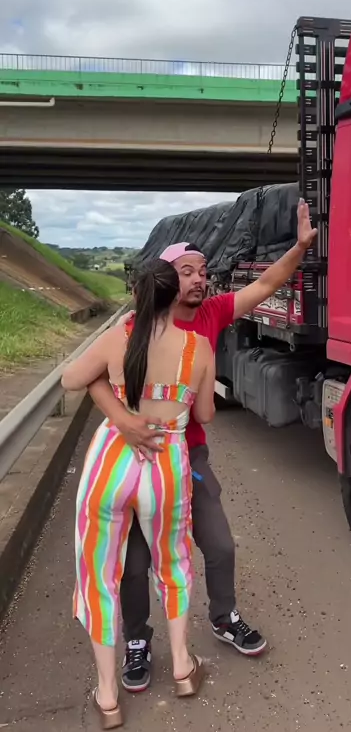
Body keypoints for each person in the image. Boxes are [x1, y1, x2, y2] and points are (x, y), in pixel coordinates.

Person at [87, 198, 317, 694]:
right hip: (136, 458)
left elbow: (266, 285)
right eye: (187, 272)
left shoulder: (211, 315)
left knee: (218, 543)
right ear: (165, 281)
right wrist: (125, 423)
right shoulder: (136, 328)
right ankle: (137, 640)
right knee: (136, 563)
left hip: (188, 458)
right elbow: (90, 378)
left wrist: (300, 247)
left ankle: (223, 616)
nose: (200, 280)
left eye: (203, 271)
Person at [61, 258, 216, 727]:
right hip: (166, 464)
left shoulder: (118, 338)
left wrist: (119, 404)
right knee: (174, 564)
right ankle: (183, 667)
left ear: (137, 293)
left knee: (98, 574)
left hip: (111, 462)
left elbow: (71, 379)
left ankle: (109, 696)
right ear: (174, 296)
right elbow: (205, 415)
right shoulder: (199, 347)